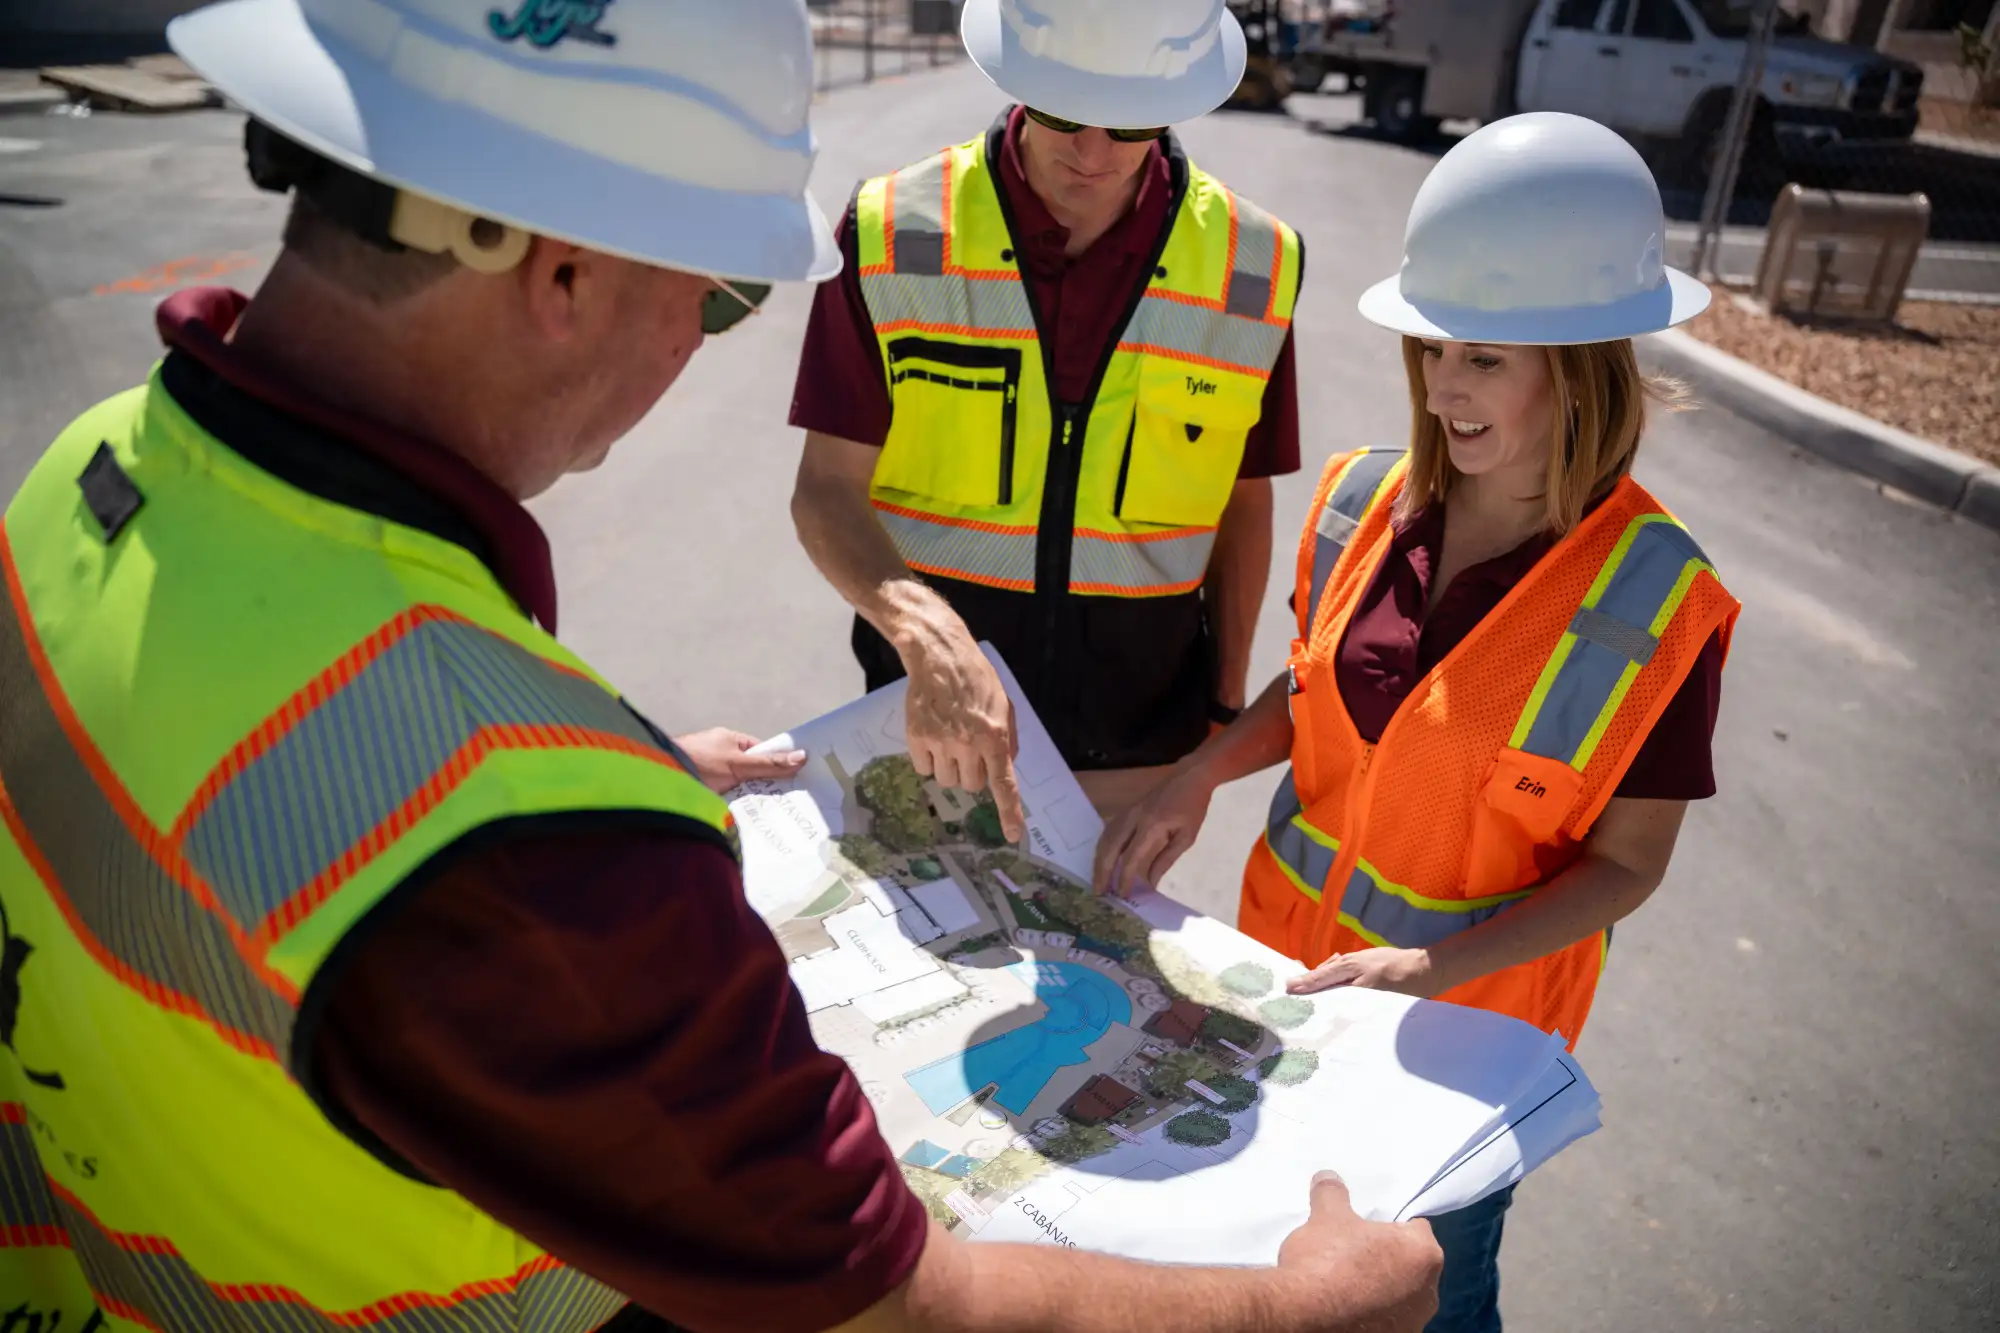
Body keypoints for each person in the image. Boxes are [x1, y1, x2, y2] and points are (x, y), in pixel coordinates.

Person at [0, 1, 1442, 1330]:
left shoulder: (89, 475)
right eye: (721, 293)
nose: (700, 341)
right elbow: (892, 1304)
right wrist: (1299, 1305)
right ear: (564, 270)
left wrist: (586, 778)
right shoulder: (525, 833)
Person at [1094, 112, 1742, 1332]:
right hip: (1288, 997)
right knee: (1264, 1259)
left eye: (1483, 359)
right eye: (1432, 349)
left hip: (1459, 1053)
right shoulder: (1357, 501)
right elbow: (1316, 693)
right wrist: (1198, 773)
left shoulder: (1659, 600)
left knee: (1433, 1302)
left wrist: (1425, 970)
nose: (1442, 388)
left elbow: (1627, 866)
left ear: (1581, 365)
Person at [790, 0, 1306, 838]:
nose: (1092, 153)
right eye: (1064, 112)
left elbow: (1243, 500)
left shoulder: (1255, 264)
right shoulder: (891, 230)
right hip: (931, 733)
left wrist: (1220, 704)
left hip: (1138, 760)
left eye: (1129, 124)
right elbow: (825, 489)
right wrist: (926, 635)